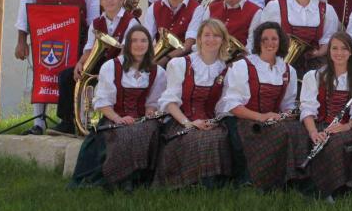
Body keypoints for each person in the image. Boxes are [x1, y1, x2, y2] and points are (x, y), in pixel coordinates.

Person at [14, 0, 100, 135]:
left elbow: (93, 9)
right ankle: (39, 123)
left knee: (74, 77)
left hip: (77, 35)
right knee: (43, 74)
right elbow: (26, 5)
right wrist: (21, 40)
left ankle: (74, 122)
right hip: (44, 35)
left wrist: (93, 42)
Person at [70, 26, 167, 189]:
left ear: (149, 45)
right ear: (127, 44)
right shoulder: (111, 67)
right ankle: (120, 179)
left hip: (142, 120)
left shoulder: (157, 71)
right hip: (113, 118)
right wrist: (118, 119)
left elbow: (153, 102)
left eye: (143, 41)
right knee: (125, 135)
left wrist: (150, 112)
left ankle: (139, 179)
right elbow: (103, 102)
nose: (139, 44)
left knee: (150, 131)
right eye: (134, 40)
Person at [221, 22, 310, 190]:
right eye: (265, 39)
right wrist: (261, 117)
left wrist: (288, 113)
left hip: (273, 119)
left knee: (298, 130)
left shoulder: (288, 70)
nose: (270, 43)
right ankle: (260, 180)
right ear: (258, 42)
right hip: (245, 119)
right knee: (279, 132)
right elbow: (233, 105)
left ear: (281, 41)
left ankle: (292, 179)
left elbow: (288, 104)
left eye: (274, 39)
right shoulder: (242, 66)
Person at [155, 19, 234, 188]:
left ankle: (211, 184)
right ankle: (187, 182)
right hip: (181, 121)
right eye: (206, 35)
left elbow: (223, 106)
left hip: (210, 122)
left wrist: (212, 122)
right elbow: (170, 102)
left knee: (217, 136)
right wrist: (189, 123)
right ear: (198, 39)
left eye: (216, 35)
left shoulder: (226, 70)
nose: (211, 39)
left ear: (223, 41)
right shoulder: (180, 64)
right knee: (195, 137)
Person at [55, 0, 139, 135]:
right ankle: (68, 122)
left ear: (121, 0)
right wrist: (80, 64)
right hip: (100, 61)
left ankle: (107, 121)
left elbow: (126, 52)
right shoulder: (96, 22)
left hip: (122, 64)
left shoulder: (131, 21)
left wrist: (109, 71)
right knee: (66, 76)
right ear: (101, 2)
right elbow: (89, 48)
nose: (109, 1)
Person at [299, 32, 352, 200]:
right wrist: (313, 133)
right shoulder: (314, 76)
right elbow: (307, 109)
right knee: (313, 141)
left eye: (344, 49)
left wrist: (344, 127)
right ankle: (322, 189)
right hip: (318, 125)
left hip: (346, 127)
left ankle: (332, 188)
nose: (339, 53)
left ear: (351, 52)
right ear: (329, 51)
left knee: (336, 143)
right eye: (334, 48)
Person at [258, 0, 339, 73]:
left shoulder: (327, 10)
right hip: (281, 62)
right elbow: (264, 37)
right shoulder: (275, 6)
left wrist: (318, 53)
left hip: (314, 64)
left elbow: (328, 39)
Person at [185, 0, 262, 52]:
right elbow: (201, 38)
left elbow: (251, 47)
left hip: (236, 61)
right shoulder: (212, 6)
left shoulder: (255, 12)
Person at [141, 0, 199, 66]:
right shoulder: (154, 7)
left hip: (184, 63)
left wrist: (166, 58)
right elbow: (146, 38)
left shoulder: (197, 9)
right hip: (157, 59)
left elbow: (189, 44)